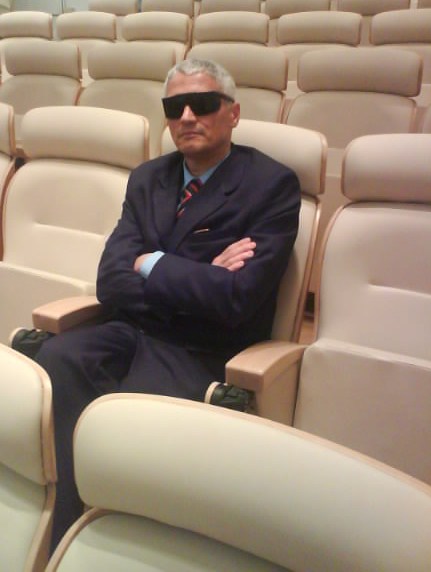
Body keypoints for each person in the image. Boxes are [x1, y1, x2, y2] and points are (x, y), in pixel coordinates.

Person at [33, 58, 301, 551]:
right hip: (130, 328)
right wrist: (201, 273)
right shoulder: (147, 178)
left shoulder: (271, 185)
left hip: (201, 347)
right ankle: (69, 519)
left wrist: (151, 261)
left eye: (202, 104)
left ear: (233, 113)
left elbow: (236, 299)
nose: (187, 117)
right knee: (56, 359)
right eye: (175, 108)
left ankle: (126, 538)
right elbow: (111, 280)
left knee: (130, 418)